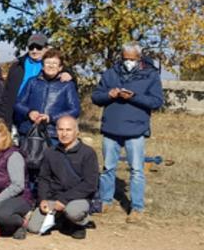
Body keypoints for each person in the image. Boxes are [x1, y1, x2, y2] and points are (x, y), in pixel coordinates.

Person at [92, 42, 164, 223]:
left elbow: (156, 102)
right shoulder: (110, 73)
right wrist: (110, 94)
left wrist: (134, 97)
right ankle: (105, 201)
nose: (128, 62)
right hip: (111, 128)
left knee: (137, 170)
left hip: (136, 129)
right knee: (108, 168)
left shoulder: (150, 75)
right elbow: (96, 97)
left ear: (139, 58)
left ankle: (137, 207)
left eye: (132, 59)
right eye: (125, 59)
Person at [28, 116, 99, 239]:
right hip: (54, 197)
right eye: (60, 130)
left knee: (73, 212)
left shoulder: (88, 153)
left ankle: (79, 223)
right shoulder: (50, 152)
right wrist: (43, 200)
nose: (64, 134)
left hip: (77, 198)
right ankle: (61, 220)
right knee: (33, 227)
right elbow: (44, 178)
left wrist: (64, 200)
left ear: (77, 132)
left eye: (68, 130)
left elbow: (90, 184)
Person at [0, 32, 71, 125]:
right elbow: (6, 93)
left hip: (41, 116)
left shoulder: (53, 67)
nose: (34, 50)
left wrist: (68, 74)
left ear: (46, 48)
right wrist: (2, 116)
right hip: (16, 113)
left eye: (39, 47)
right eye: (31, 47)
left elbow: (70, 85)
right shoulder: (17, 66)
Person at [14, 49, 80, 142]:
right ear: (42, 66)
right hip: (29, 131)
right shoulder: (32, 82)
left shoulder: (67, 85)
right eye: (48, 63)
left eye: (54, 63)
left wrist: (51, 118)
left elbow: (75, 110)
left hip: (53, 134)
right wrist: (29, 112)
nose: (51, 66)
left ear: (60, 67)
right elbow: (18, 103)